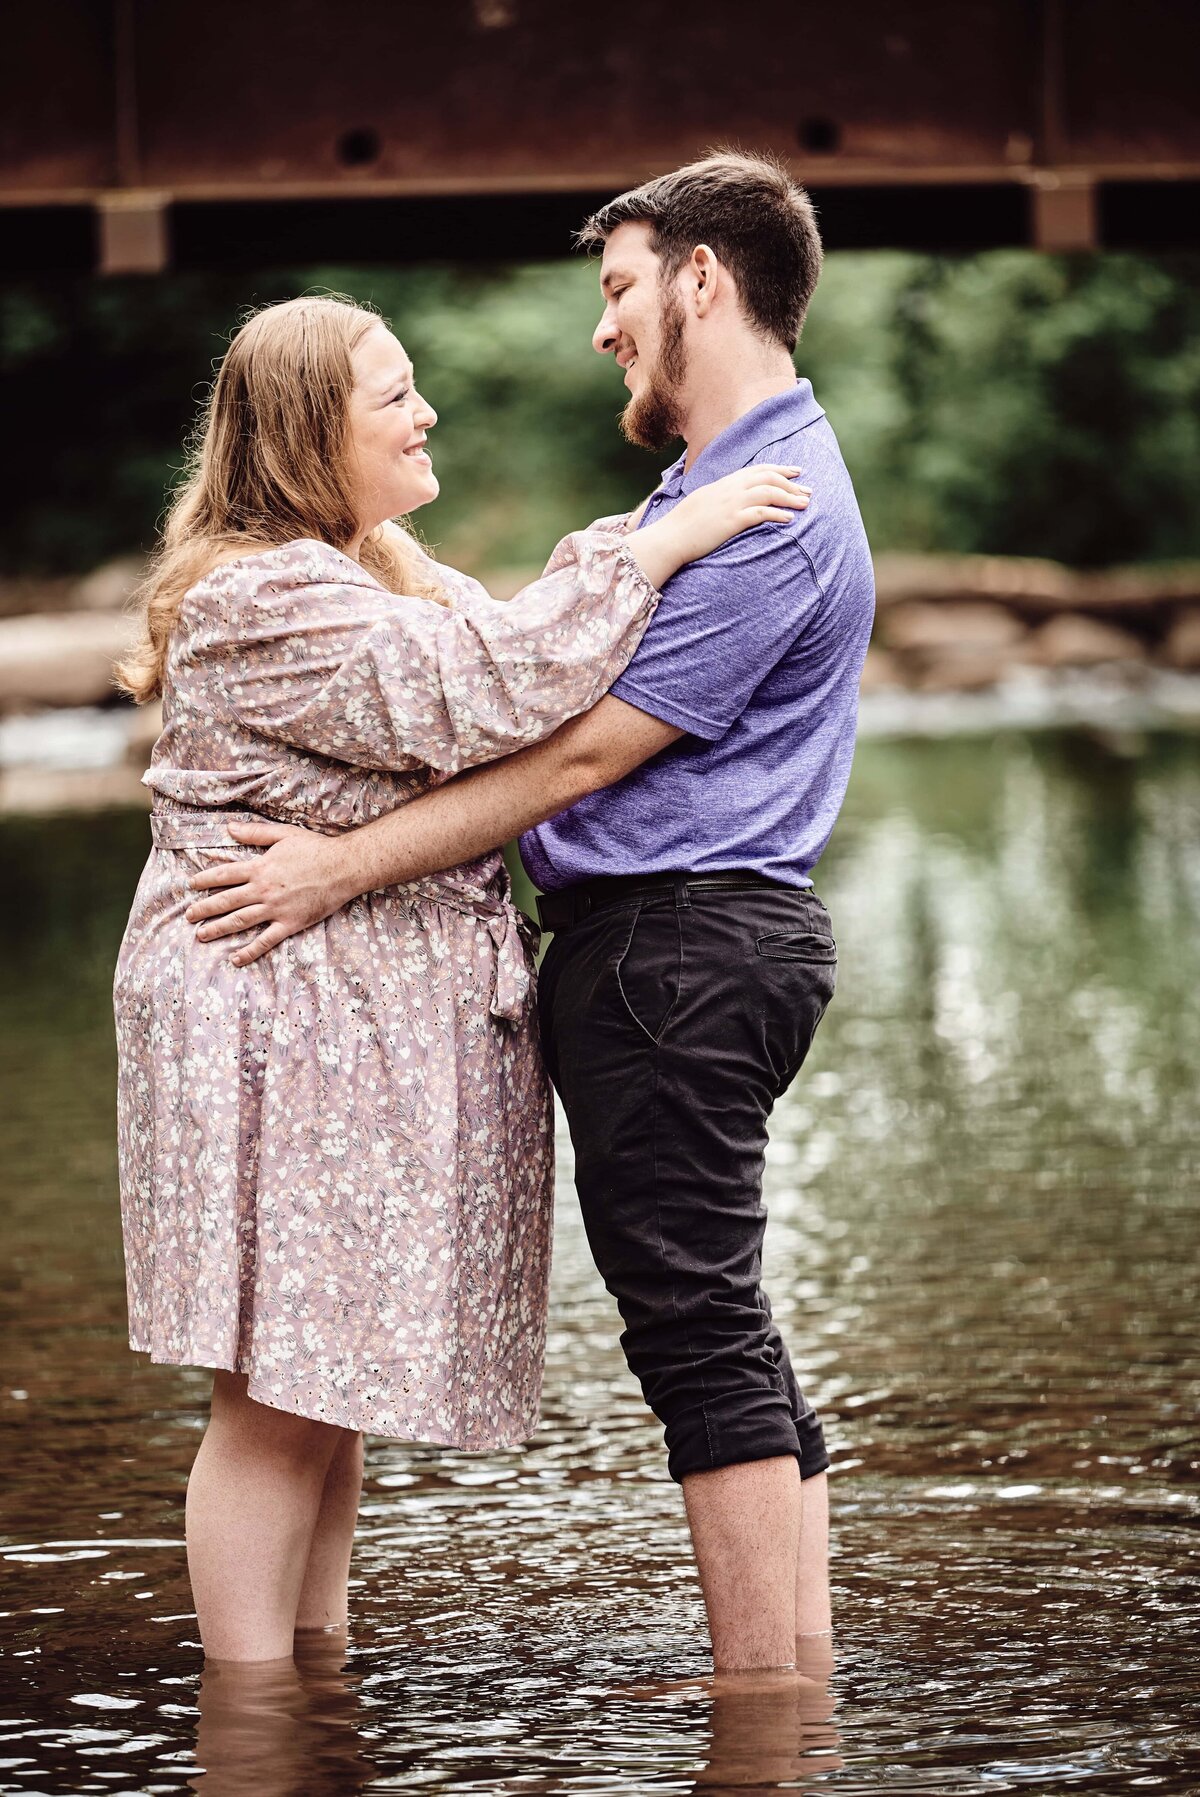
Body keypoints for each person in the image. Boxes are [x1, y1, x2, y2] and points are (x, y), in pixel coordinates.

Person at [186, 151, 875, 1674]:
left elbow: (567, 746)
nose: (602, 328)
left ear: (704, 277)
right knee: (717, 1319)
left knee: (696, 1329)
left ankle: (772, 1718)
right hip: (673, 952)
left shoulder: (757, 505)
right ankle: (796, 1696)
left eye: (620, 287)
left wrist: (334, 867)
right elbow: (514, 672)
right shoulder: (712, 487)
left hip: (678, 953)